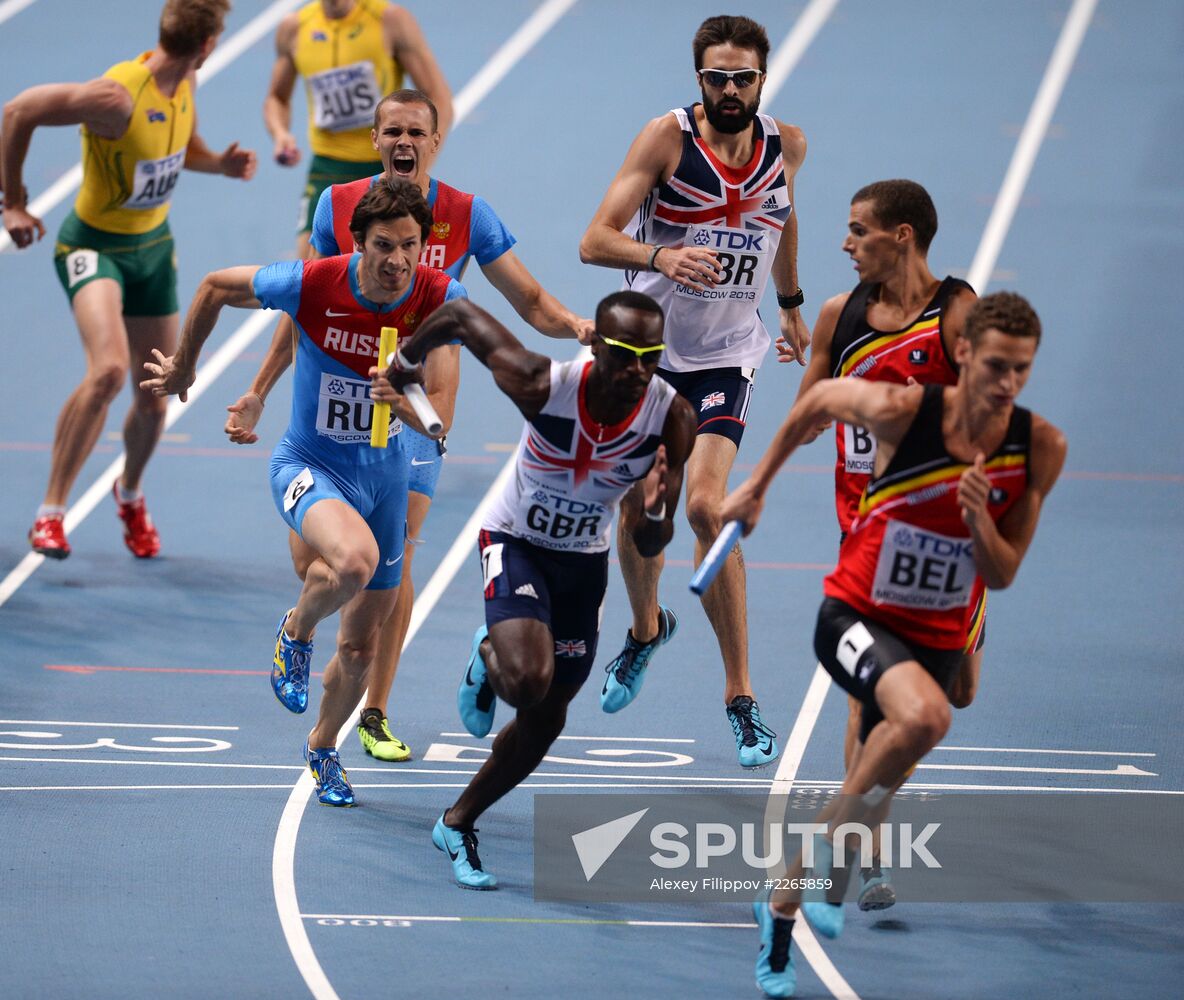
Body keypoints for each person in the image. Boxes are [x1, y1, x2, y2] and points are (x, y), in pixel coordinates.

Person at [228, 89, 593, 765]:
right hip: (332, 416)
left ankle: (372, 708)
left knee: (395, 562)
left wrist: (576, 327)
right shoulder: (340, 207)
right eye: (392, 129)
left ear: (434, 141)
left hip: (415, 418)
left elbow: (530, 300)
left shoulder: (465, 214)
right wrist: (257, 390)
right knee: (319, 565)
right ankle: (313, 639)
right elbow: (304, 306)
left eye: (416, 131)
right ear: (376, 139)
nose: (404, 140)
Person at [720, 291, 1066, 997]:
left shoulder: (1039, 448)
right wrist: (755, 487)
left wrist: (978, 522)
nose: (1007, 384)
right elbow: (816, 404)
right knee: (925, 719)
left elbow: (1001, 574)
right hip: (855, 614)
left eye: (1022, 371)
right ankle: (832, 858)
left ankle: (783, 899)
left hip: (936, 635)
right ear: (964, 352)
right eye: (996, 365)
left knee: (895, 757)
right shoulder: (905, 411)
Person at [141, 181, 465, 806]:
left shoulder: (440, 296)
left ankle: (322, 746)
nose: (397, 260)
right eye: (382, 246)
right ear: (356, 243)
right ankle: (295, 632)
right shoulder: (312, 282)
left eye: (409, 246)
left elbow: (438, 413)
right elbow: (213, 285)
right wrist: (185, 366)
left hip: (386, 477)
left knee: (361, 643)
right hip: (309, 464)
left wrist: (411, 403)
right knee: (352, 562)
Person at [372, 293, 696, 889]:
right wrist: (409, 359)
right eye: (626, 357)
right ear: (595, 346)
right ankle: (491, 654)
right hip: (515, 539)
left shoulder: (672, 420)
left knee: (545, 719)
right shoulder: (541, 383)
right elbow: (461, 317)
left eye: (652, 359)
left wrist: (652, 512)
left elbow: (652, 546)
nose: (640, 373)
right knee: (524, 679)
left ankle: (458, 820)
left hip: (582, 561)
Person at [578, 14, 808, 767]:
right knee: (646, 510)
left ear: (762, 79)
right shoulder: (667, 140)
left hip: (724, 357)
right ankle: (646, 631)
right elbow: (594, 239)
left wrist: (793, 303)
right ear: (699, 79)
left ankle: (740, 697)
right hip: (649, 356)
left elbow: (782, 219)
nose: (731, 90)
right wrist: (662, 255)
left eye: (744, 77)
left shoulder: (786, 145)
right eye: (718, 78)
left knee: (707, 507)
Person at [2, 0, 256, 560]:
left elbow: (172, 149)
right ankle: (50, 511)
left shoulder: (184, 82)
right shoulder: (115, 96)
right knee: (110, 370)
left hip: (153, 249)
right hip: (94, 247)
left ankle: (130, 493)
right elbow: (18, 110)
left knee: (157, 392)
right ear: (209, 43)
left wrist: (218, 164)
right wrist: (14, 204)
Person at [791, 179, 977, 910]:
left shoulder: (958, 312)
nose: (845, 242)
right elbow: (810, 412)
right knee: (878, 692)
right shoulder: (840, 316)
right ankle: (861, 845)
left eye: (858, 230)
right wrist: (811, 408)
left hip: (948, 539)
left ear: (902, 236)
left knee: (957, 689)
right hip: (867, 529)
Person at [265, 0, 451, 259]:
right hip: (327, 167)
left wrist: (420, 170)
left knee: (391, 263)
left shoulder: (390, 21)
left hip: (384, 165)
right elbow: (277, 97)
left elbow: (438, 99)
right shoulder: (294, 28)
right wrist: (280, 133)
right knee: (308, 270)